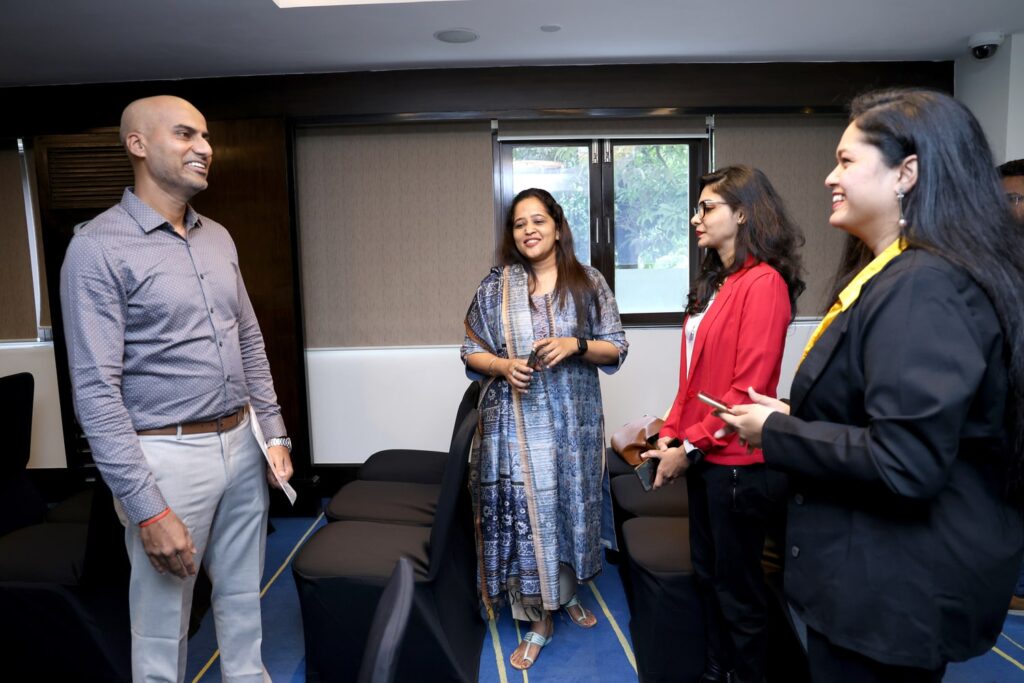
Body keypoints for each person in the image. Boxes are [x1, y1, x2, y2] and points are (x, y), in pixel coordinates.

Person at [719, 88, 1024, 683]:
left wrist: (778, 431)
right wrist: (793, 415)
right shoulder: (901, 272)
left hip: (892, 588)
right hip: (881, 578)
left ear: (906, 173)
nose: (830, 177)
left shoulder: (922, 283)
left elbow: (906, 460)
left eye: (846, 161)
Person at [60, 95, 294, 683]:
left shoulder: (219, 237)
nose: (205, 148)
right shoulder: (96, 247)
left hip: (243, 443)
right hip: (165, 456)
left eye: (206, 136)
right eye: (186, 135)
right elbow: (95, 392)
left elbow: (248, 339)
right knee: (164, 625)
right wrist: (148, 508)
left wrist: (274, 433)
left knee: (243, 603)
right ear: (138, 145)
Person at [641, 165, 805, 683]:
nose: (696, 218)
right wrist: (672, 430)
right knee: (709, 577)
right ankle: (717, 671)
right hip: (706, 458)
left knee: (739, 592)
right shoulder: (720, 283)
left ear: (743, 213)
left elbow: (744, 389)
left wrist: (687, 449)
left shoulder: (764, 283)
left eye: (707, 207)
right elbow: (693, 380)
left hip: (739, 466)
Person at [461, 187, 627, 671]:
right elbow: (469, 351)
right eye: (519, 223)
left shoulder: (588, 282)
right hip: (514, 430)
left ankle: (565, 592)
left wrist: (576, 344)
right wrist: (502, 366)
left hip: (573, 430)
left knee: (568, 513)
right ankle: (538, 619)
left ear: (557, 226)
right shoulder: (496, 287)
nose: (529, 230)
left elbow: (616, 347)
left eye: (538, 220)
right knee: (527, 519)